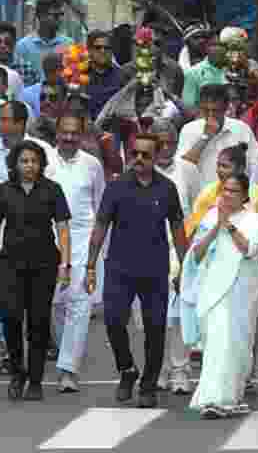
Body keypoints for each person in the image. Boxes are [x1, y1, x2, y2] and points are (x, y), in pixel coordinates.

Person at [85, 132, 190, 409]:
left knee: (156, 328)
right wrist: (90, 265)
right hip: (119, 267)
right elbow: (100, 227)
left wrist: (186, 267)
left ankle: (148, 385)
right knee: (113, 320)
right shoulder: (116, 187)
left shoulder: (167, 189)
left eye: (146, 155)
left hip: (155, 270)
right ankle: (127, 369)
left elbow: (178, 230)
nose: (139, 159)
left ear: (156, 157)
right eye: (135, 154)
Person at [0, 140, 72, 401]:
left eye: (34, 161)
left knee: (39, 321)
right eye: (24, 161)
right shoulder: (4, 191)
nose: (29, 166)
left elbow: (63, 229)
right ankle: (17, 372)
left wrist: (65, 265)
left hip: (44, 264)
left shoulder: (52, 190)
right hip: (10, 263)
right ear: (15, 164)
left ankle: (35, 379)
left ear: (41, 164)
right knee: (10, 316)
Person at [183, 172, 258, 419]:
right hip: (213, 285)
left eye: (233, 191)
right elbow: (196, 255)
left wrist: (228, 225)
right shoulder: (210, 216)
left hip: (241, 287)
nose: (227, 195)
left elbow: (251, 250)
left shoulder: (255, 219)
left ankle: (230, 396)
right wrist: (216, 225)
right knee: (217, 340)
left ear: (244, 195)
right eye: (224, 190)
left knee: (236, 341)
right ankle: (214, 397)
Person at [44, 115, 105, 394]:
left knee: (79, 303)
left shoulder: (92, 165)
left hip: (82, 241)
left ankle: (68, 369)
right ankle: (62, 350)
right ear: (57, 134)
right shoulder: (45, 162)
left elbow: (100, 206)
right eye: (64, 133)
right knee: (55, 303)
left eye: (74, 133)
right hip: (50, 239)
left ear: (81, 136)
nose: (69, 138)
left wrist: (99, 250)